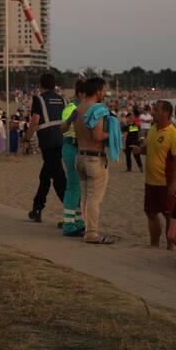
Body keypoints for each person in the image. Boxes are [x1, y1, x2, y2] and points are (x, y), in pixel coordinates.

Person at [74, 77, 115, 243]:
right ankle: (91, 233)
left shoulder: (79, 108)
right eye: (103, 90)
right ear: (98, 91)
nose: (104, 93)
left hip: (80, 156)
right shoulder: (97, 109)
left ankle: (87, 229)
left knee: (85, 196)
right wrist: (112, 133)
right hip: (94, 158)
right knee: (94, 198)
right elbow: (97, 136)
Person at [26, 73, 67, 223]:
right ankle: (37, 208)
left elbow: (35, 121)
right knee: (45, 176)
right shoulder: (62, 99)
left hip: (48, 142)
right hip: (61, 140)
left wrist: (27, 139)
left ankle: (74, 212)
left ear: (40, 85)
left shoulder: (39, 99)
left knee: (58, 178)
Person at [143, 100, 176, 249]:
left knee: (169, 215)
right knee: (151, 213)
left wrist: (173, 183)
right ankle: (154, 244)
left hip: (166, 182)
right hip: (150, 181)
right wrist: (139, 150)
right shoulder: (152, 129)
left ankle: (169, 247)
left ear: (165, 113)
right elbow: (149, 148)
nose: (152, 112)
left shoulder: (174, 135)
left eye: (156, 110)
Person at [58, 80, 86, 237]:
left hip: (79, 150)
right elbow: (63, 129)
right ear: (81, 94)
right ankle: (69, 224)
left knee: (77, 188)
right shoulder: (70, 108)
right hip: (71, 148)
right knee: (73, 187)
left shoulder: (83, 107)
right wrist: (70, 120)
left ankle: (78, 222)